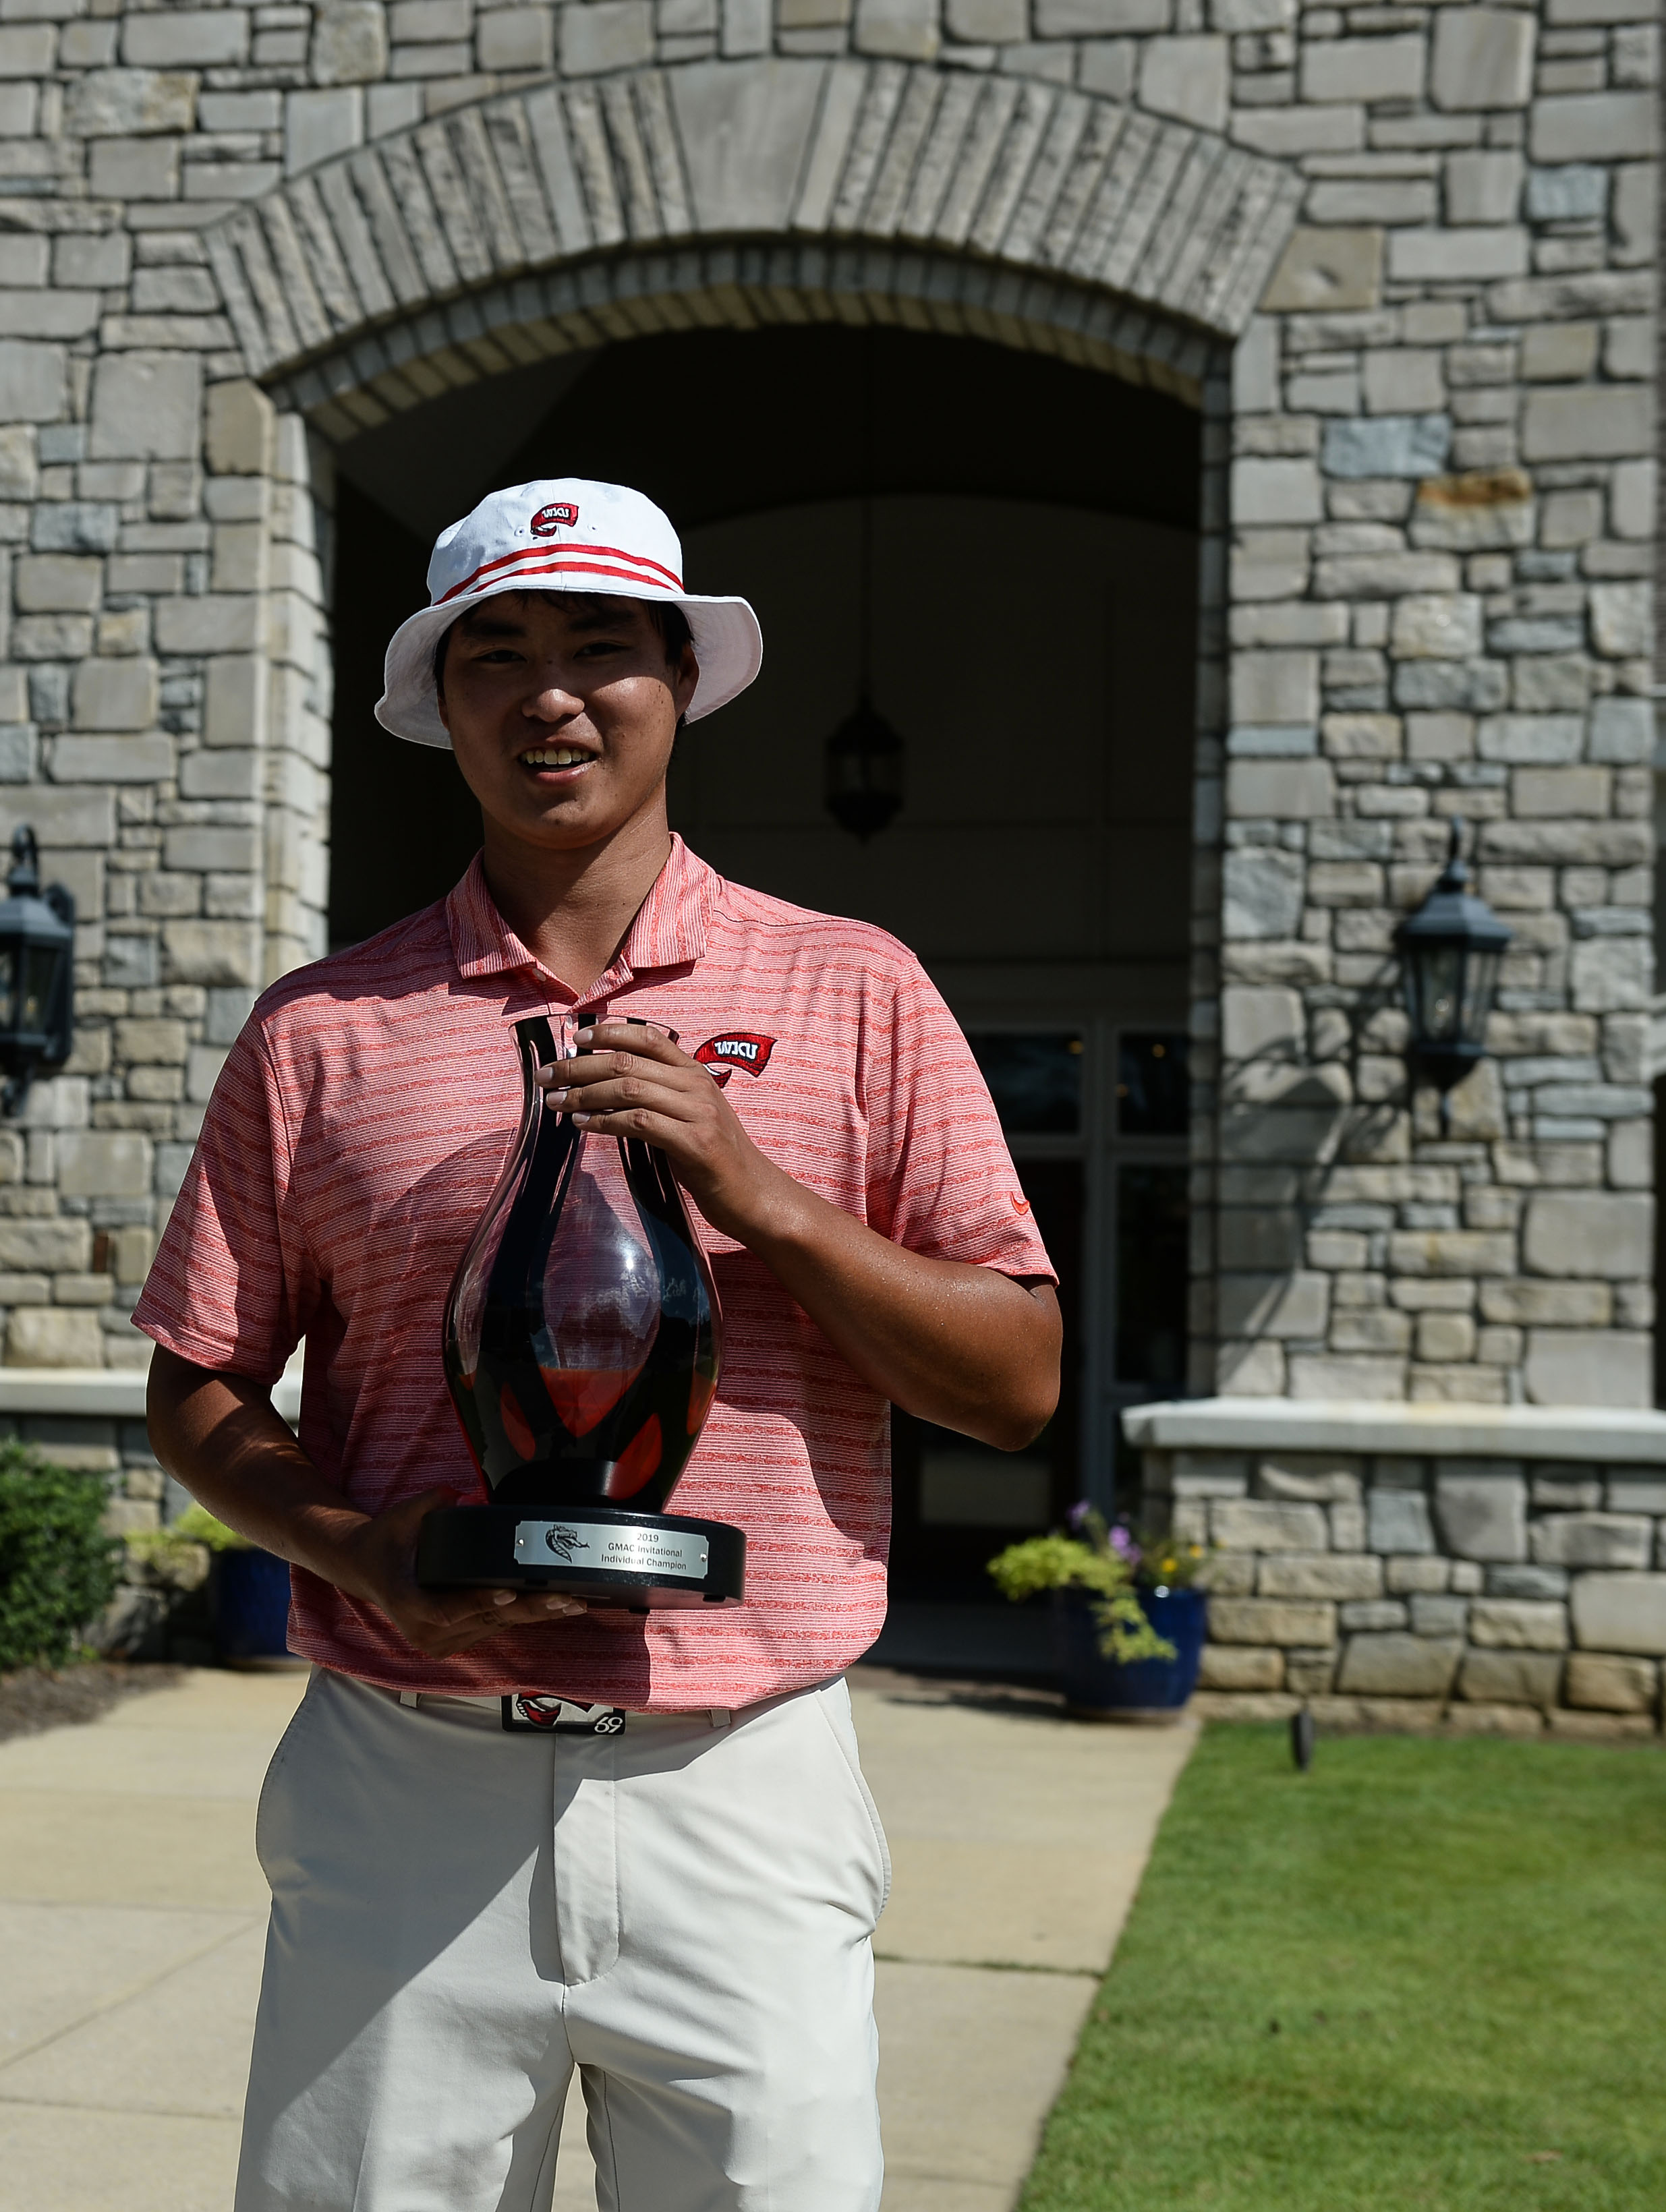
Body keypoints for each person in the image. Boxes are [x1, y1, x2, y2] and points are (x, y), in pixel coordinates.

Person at [136, 478, 1064, 2211]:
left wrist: (760, 1189)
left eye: (599, 647)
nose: (549, 692)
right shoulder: (321, 1030)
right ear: (442, 701)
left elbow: (1015, 1379)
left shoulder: (855, 987)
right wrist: (355, 1549)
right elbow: (195, 1380)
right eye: (498, 652)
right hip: (408, 1782)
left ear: (682, 680)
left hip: (741, 1777)